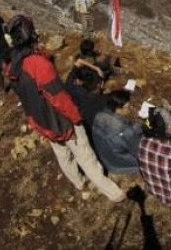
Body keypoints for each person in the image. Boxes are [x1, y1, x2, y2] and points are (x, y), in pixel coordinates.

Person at [6, 15, 125, 202]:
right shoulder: (38, 64)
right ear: (30, 34)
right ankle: (112, 192)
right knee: (85, 156)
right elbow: (59, 97)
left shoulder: (13, 66)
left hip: (40, 121)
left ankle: (78, 182)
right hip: (62, 121)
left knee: (63, 154)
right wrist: (75, 117)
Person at [92, 90, 143, 175]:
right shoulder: (125, 131)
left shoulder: (99, 116)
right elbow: (138, 152)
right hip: (121, 165)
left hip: (106, 159)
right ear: (118, 109)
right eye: (127, 106)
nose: (129, 109)